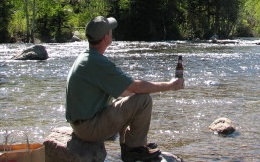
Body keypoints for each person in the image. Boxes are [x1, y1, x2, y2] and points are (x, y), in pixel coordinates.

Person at [65, 16, 185, 162]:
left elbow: (126, 91)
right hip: (88, 128)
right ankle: (134, 151)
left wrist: (136, 94)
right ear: (106, 37)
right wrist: (171, 86)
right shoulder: (98, 63)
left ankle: (132, 146)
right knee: (143, 100)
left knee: (132, 99)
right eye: (110, 30)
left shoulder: (87, 58)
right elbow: (136, 87)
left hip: (82, 125)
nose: (112, 32)